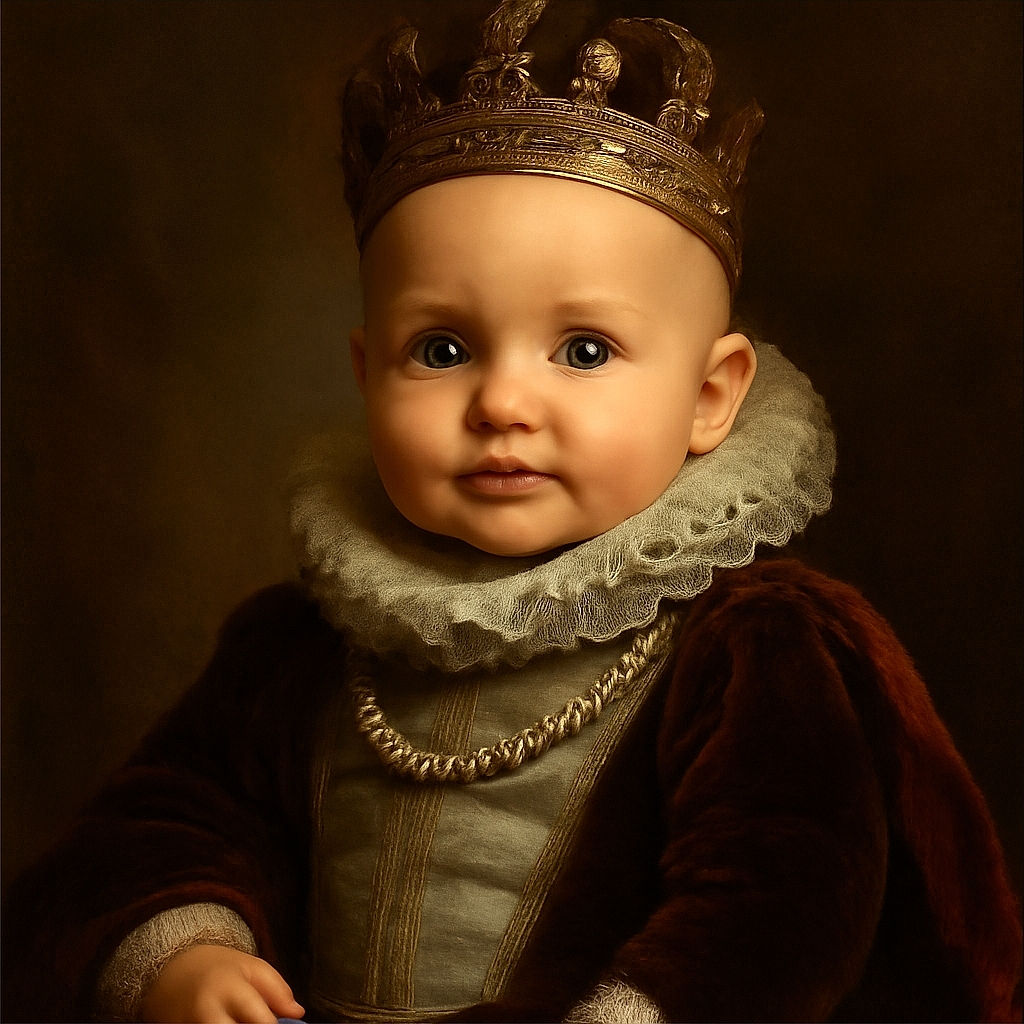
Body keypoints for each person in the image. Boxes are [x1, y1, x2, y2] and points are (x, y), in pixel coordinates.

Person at [3, 2, 1020, 1022]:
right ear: (366, 377)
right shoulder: (298, 646)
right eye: (441, 350)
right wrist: (185, 950)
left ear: (710, 397)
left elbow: (780, 902)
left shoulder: (751, 647)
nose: (500, 404)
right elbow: (165, 818)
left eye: (583, 351)